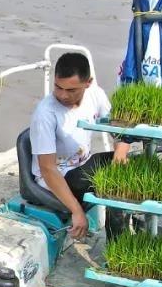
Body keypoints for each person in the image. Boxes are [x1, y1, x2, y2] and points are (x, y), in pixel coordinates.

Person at [29, 53, 130, 240]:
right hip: (59, 177)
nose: (62, 95)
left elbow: (120, 129)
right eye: (58, 87)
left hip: (82, 167)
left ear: (88, 83)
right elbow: (47, 169)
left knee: (129, 164)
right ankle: (118, 244)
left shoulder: (95, 94)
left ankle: (122, 239)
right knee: (106, 174)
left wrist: (121, 151)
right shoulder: (45, 113)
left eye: (71, 90)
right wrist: (76, 211)